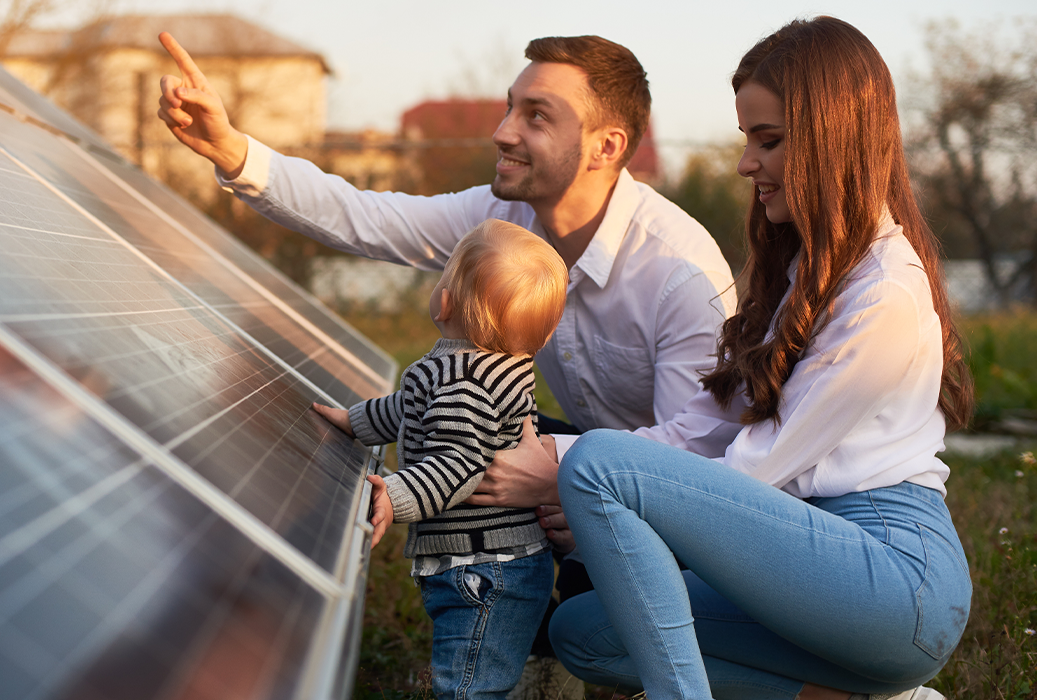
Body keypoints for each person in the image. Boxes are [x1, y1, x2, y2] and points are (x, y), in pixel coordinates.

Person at [473, 16, 973, 700]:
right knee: (587, 631)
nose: (746, 164)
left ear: (834, 140)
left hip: (890, 581)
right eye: (748, 140)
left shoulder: (883, 295)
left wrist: (583, 486)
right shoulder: (811, 274)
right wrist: (563, 471)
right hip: (806, 561)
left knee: (599, 464)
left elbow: (756, 471)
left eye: (767, 142)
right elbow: (700, 428)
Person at [156, 29, 736, 616]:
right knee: (464, 434)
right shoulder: (504, 218)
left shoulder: (678, 273)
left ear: (606, 147)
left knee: (589, 625)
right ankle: (497, 616)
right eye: (511, 105)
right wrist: (232, 151)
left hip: (678, 504)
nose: (503, 131)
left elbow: (698, 450)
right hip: (577, 462)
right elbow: (370, 217)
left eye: (536, 116)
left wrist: (563, 469)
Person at [314, 219, 568, 700]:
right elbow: (407, 408)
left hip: (484, 569)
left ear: (443, 300)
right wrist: (355, 421)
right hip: (494, 565)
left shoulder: (464, 384)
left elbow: (456, 463)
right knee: (472, 678)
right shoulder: (484, 367)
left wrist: (398, 494)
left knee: (467, 688)